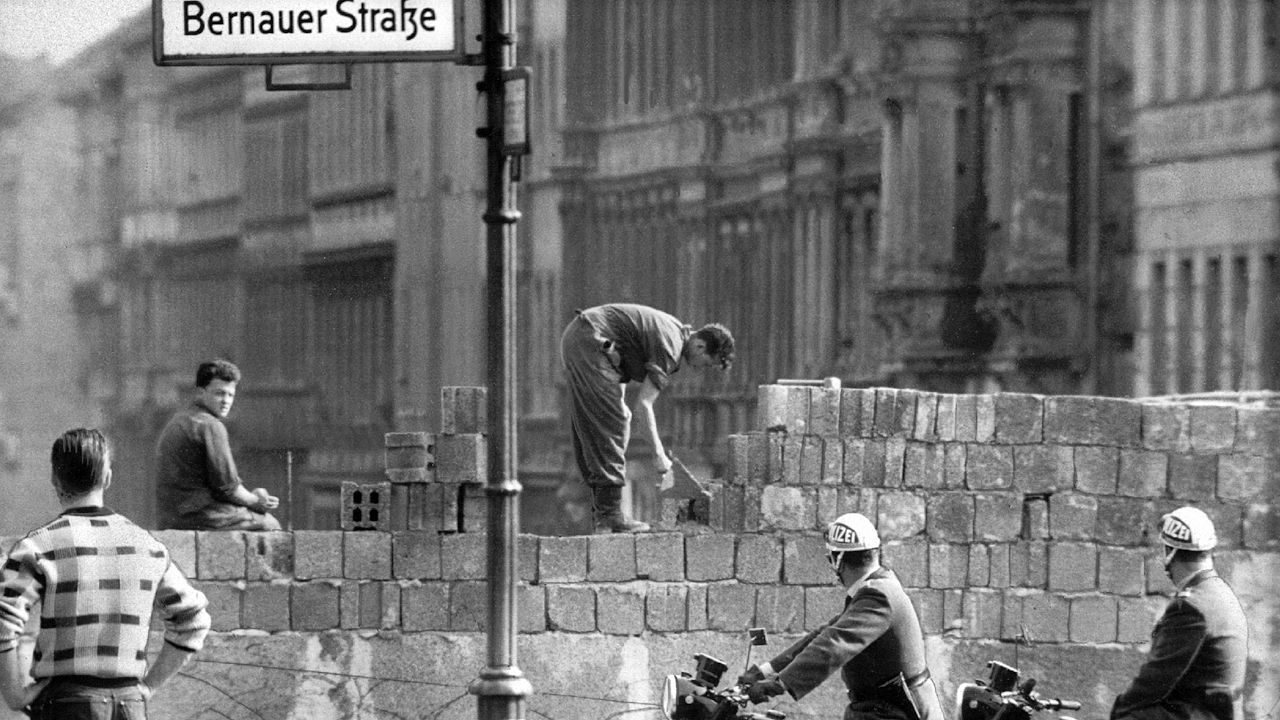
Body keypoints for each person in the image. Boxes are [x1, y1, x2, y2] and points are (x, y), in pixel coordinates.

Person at [0, 428, 211, 719]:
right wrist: (147, 688)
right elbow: (194, 621)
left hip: (65, 705)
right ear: (108, 478)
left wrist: (14, 693)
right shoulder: (148, 547)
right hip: (129, 705)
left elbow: (3, 621)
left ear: (55, 479)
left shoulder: (37, 547)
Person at [740, 513, 944, 720]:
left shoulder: (878, 595)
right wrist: (764, 672)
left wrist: (779, 684)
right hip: (881, 708)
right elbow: (824, 634)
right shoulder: (876, 588)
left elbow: (834, 644)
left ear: (838, 561)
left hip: (898, 711)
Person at [560, 303, 734, 533]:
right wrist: (660, 457)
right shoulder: (671, 346)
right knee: (612, 423)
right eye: (707, 364)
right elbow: (644, 405)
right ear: (700, 347)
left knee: (610, 419)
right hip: (591, 342)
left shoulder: (675, 330)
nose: (701, 370)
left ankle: (603, 509)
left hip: (586, 338)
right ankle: (610, 515)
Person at [1111, 506, 1248, 720]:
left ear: (1170, 552)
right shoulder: (1220, 593)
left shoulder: (1191, 607)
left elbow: (1156, 679)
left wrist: (1119, 712)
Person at [156, 359, 282, 530]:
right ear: (201, 392)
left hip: (170, 517)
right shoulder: (210, 425)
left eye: (230, 395)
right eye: (219, 393)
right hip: (200, 516)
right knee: (270, 525)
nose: (226, 401)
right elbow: (228, 488)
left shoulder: (178, 420)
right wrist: (256, 501)